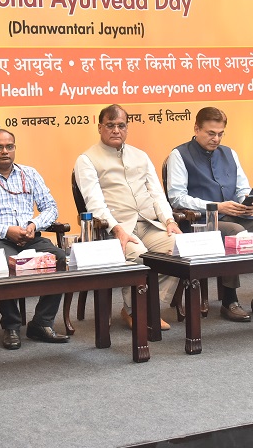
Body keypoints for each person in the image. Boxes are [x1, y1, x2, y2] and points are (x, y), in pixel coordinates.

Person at [167, 106, 253, 321]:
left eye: (220, 134)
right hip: (200, 223)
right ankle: (229, 300)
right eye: (211, 133)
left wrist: (246, 202)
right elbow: (177, 198)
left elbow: (242, 188)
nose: (216, 139)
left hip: (235, 217)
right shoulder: (179, 155)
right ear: (196, 129)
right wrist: (216, 206)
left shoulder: (230, 153)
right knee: (235, 231)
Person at [0, 128, 69, 350]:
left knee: (59, 259)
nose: (5, 151)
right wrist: (5, 230)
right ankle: (11, 326)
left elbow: (51, 208)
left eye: (9, 146)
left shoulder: (30, 174)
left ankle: (41, 323)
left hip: (31, 237)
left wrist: (34, 225)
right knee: (6, 265)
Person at [74, 104, 181, 331]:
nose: (116, 130)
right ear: (100, 127)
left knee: (179, 251)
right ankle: (135, 311)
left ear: (127, 128)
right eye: (110, 125)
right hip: (116, 229)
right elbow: (94, 203)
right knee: (140, 256)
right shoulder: (87, 159)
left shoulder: (140, 155)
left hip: (149, 224)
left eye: (121, 125)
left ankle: (149, 307)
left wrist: (169, 221)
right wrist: (117, 229)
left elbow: (157, 193)